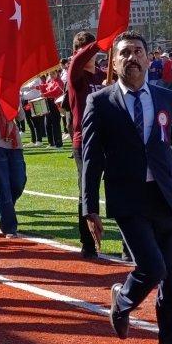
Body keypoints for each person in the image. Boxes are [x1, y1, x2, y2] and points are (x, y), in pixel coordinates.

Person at [80, 30, 172, 344]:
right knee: (152, 267)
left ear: (149, 58)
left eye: (137, 52)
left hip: (163, 197)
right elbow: (91, 158)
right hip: (128, 201)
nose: (131, 58)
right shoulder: (100, 102)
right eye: (125, 53)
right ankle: (123, 299)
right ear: (114, 62)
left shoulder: (165, 97)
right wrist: (90, 207)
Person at [67, 31, 107, 257]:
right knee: (87, 191)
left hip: (108, 139)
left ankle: (127, 243)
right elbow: (78, 60)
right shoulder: (76, 76)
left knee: (120, 187)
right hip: (84, 141)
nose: (91, 53)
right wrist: (101, 41)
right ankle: (88, 243)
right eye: (86, 49)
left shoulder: (104, 76)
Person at [0, 89, 26, 237]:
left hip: (14, 143)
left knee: (19, 182)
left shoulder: (12, 93)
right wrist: (0, 96)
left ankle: (5, 208)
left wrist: (15, 99)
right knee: (3, 185)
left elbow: (21, 117)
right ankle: (9, 226)